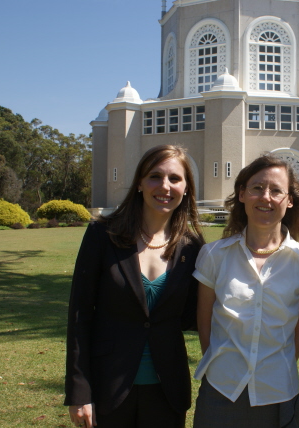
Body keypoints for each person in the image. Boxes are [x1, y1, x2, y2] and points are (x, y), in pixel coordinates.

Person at [64, 145, 204, 428]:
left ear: (187, 188)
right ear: (140, 183)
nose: (165, 186)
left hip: (168, 391)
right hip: (109, 388)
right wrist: (79, 392)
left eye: (175, 179)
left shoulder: (194, 248)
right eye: (155, 176)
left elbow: (194, 317)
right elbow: (80, 314)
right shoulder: (102, 235)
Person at [193, 155, 299, 428]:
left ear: (289, 200)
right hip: (221, 389)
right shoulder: (214, 255)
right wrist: (222, 364)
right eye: (257, 188)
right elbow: (204, 322)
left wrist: (275, 368)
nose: (266, 197)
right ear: (242, 194)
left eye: (276, 190)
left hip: (278, 391)